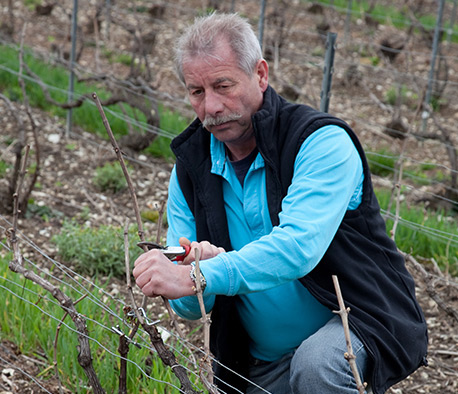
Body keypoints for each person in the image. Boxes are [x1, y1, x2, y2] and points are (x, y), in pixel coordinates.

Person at [133, 12, 428, 394]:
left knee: (317, 364)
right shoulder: (191, 169)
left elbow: (297, 248)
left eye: (223, 85)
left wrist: (202, 274)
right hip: (258, 361)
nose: (211, 107)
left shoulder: (320, 143)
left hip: (358, 327)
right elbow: (190, 309)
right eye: (196, 92)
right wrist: (191, 275)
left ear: (260, 74)